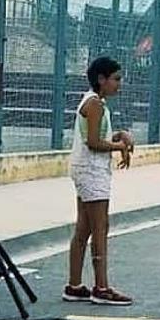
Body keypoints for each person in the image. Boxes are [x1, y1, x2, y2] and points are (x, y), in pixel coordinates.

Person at [64, 56, 135, 306]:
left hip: (87, 170)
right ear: (101, 79)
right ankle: (101, 287)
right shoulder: (94, 104)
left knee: (83, 228)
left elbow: (99, 134)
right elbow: (93, 142)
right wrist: (118, 146)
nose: (119, 83)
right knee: (100, 228)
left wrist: (120, 135)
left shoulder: (96, 103)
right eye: (116, 79)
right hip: (92, 171)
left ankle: (74, 285)